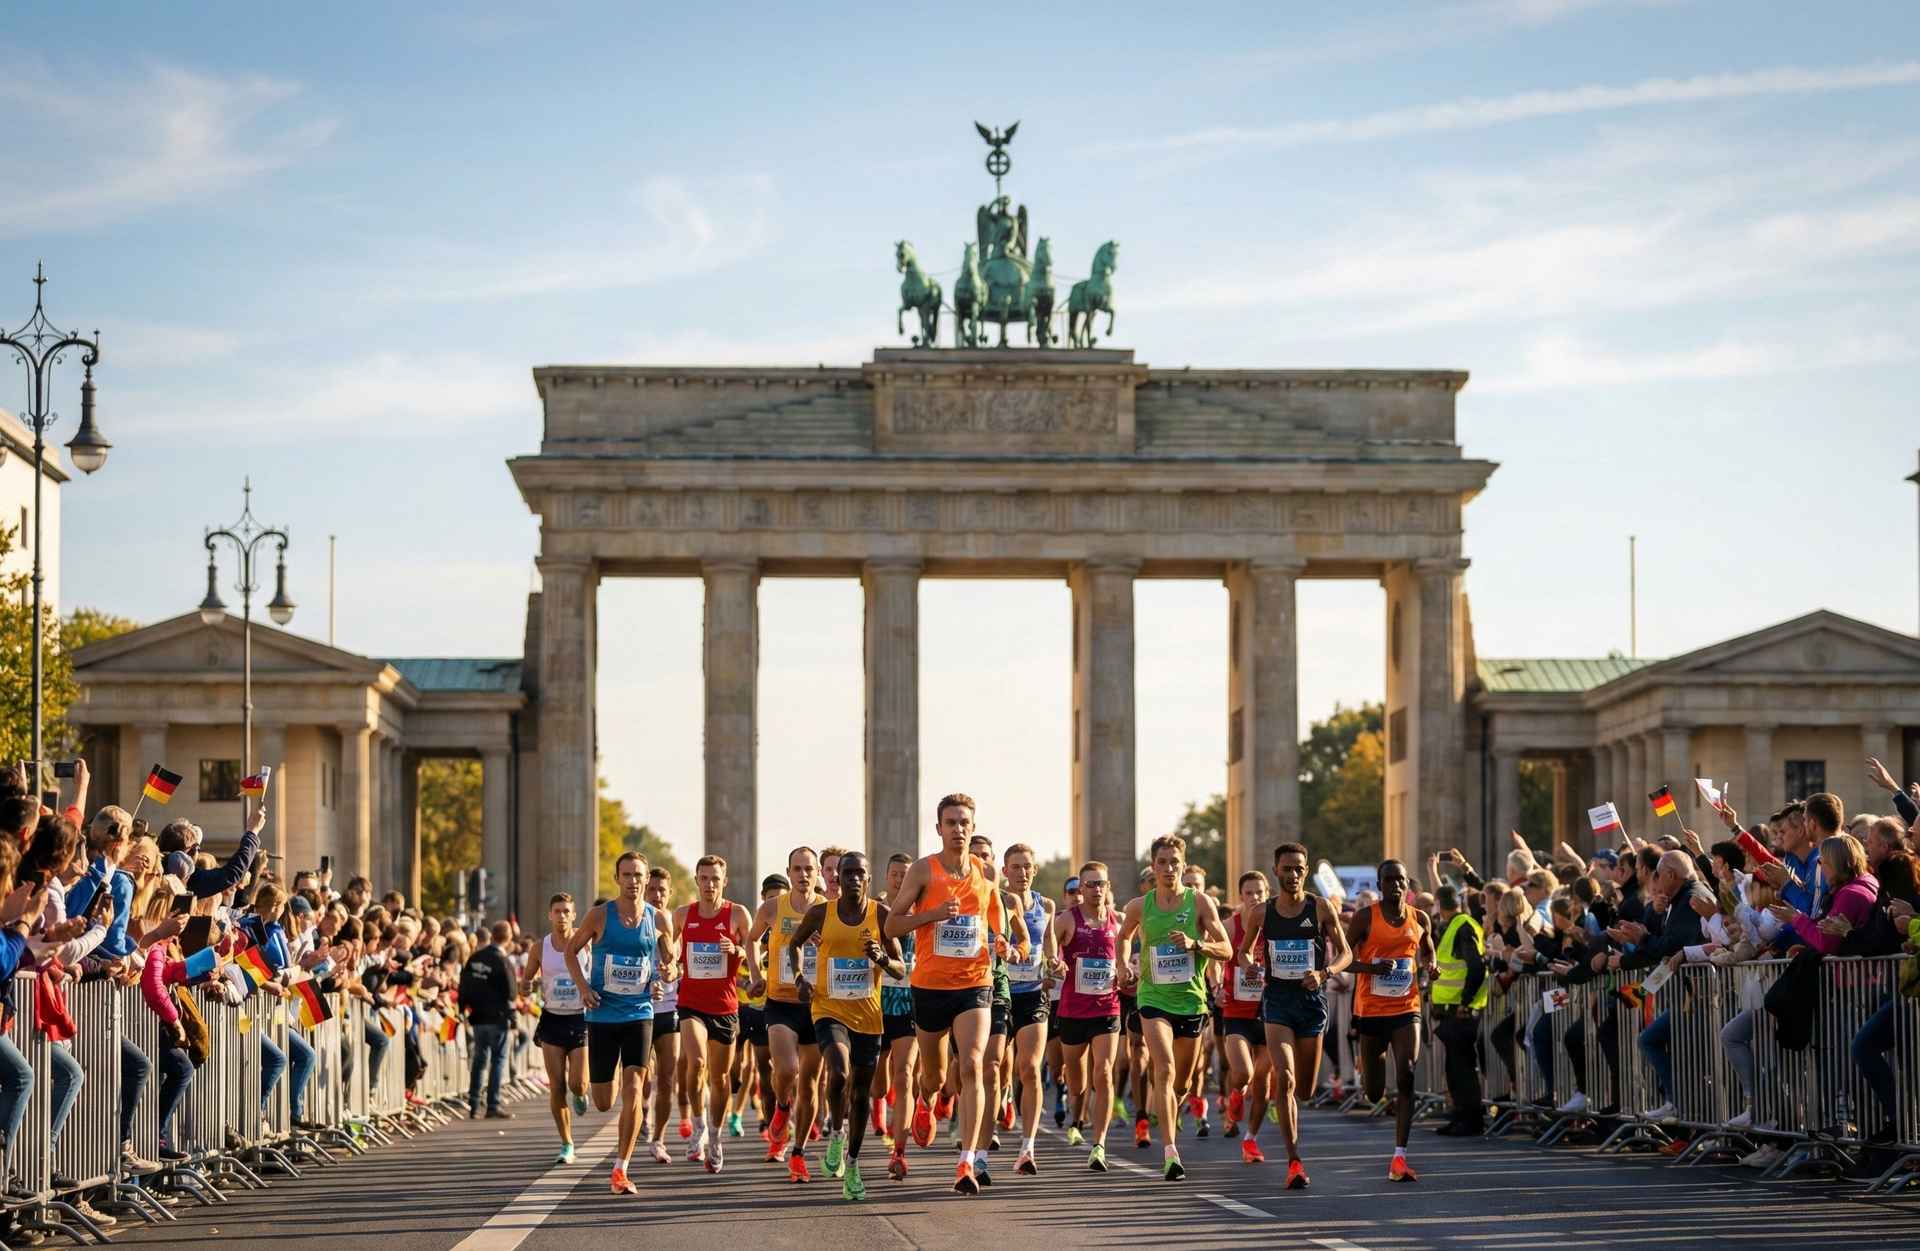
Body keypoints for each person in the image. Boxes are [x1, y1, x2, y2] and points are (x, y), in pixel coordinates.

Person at [883, 793, 1018, 1196]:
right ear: (938, 828)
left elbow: (997, 921)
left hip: (975, 982)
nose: (958, 829)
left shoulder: (985, 872)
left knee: (974, 1064)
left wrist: (1003, 943)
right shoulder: (924, 871)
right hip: (929, 985)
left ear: (972, 827)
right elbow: (892, 925)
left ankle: (967, 1162)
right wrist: (933, 915)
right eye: (951, 823)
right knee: (934, 1075)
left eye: (964, 823)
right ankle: (928, 1102)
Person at [790, 851, 906, 1202]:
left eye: (860, 874)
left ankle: (852, 1163)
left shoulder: (881, 914)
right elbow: (794, 944)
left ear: (868, 879)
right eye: (847, 873)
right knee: (838, 1072)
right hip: (828, 1007)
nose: (853, 879)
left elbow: (900, 968)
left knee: (860, 1093)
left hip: (868, 1015)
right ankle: (836, 1133)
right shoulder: (821, 913)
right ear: (837, 878)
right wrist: (799, 978)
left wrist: (881, 958)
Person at [1118, 834, 1233, 1182]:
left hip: (1191, 1000)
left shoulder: (1200, 903)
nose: (1169, 869)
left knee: (1180, 1084)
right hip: (1152, 998)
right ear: (1153, 867)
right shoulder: (1140, 905)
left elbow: (1226, 949)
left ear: (1184, 866)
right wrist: (1124, 964)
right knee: (1163, 1068)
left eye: (1175, 863)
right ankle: (1171, 1152)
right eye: (1162, 863)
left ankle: (1171, 1108)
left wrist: (1196, 944)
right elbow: (1124, 935)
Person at [566, 850, 678, 1196]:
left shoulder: (659, 919)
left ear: (648, 880)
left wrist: (665, 974)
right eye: (626, 875)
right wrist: (583, 988)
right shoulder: (599, 915)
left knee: (635, 1089)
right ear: (617, 879)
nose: (633, 881)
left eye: (638, 875)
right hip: (601, 1013)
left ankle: (621, 1168)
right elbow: (571, 951)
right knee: (603, 1100)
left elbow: (671, 962)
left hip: (640, 1013)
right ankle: (601, 1080)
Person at [1240, 842, 1350, 1186]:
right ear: (1276, 871)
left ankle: (1290, 1136)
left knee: (1304, 1089)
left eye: (1299, 869)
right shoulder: (1261, 912)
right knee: (1284, 1079)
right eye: (1287, 869)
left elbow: (1345, 953)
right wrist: (1251, 968)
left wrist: (1325, 973)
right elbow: (1243, 953)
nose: (1293, 874)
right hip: (1277, 1001)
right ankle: (1295, 1163)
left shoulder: (1319, 908)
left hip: (1312, 1002)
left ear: (1306, 871)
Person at [1347, 859, 1435, 1182]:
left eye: (1401, 880)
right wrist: (1371, 970)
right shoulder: (1364, 918)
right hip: (1371, 1010)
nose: (1396, 885)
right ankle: (1366, 1069)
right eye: (1389, 880)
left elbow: (1428, 948)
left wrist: (1432, 966)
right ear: (1379, 884)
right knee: (1373, 1091)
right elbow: (1343, 960)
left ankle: (1400, 1157)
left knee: (1408, 1074)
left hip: (1406, 1006)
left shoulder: (1419, 917)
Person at [748, 846, 827, 1180]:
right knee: (787, 1070)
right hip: (781, 1002)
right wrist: (756, 975)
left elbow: (847, 946)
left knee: (809, 1084)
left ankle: (798, 1153)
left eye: (809, 869)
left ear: (818, 873)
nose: (803, 874)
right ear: (789, 872)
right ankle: (781, 1108)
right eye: (797, 869)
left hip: (818, 1004)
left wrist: (828, 943)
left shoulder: (829, 910)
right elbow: (751, 940)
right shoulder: (771, 908)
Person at [674, 854, 750, 1173]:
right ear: (696, 880)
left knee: (719, 1078)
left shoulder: (737, 914)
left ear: (724, 881)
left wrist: (736, 951)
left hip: (725, 1006)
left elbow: (750, 953)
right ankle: (698, 1123)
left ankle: (716, 1137)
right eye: (704, 878)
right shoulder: (683, 915)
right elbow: (670, 952)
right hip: (691, 1003)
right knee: (697, 1062)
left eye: (715, 879)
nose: (709, 884)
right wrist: (668, 965)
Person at [1054, 862, 1122, 1170]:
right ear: (1081, 889)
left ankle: (1099, 1144)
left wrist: (1129, 970)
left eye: (1101, 884)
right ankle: (1076, 1116)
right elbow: (1048, 945)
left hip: (1107, 1007)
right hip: (1072, 1010)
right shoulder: (1068, 919)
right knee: (1078, 1080)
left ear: (1109, 887)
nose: (1096, 889)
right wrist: (1053, 962)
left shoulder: (1118, 922)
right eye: (1090, 884)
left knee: (1104, 1073)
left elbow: (1131, 951)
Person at [1000, 842, 1057, 1175]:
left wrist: (1054, 968)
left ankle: (1027, 1147)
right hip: (1000, 991)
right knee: (992, 1067)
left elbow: (1049, 949)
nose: (1022, 873)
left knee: (1030, 1068)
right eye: (1016, 867)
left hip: (1033, 993)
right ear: (1005, 871)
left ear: (1034, 870)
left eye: (1027, 867)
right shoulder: (996, 902)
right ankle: (983, 1135)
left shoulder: (1046, 905)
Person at [526, 893, 589, 1163]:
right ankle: (567, 1144)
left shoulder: (586, 944)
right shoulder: (540, 948)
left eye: (566, 911)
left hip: (580, 1018)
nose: (562, 916)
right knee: (557, 1086)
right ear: (549, 915)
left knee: (577, 1083)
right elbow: (527, 978)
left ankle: (581, 1093)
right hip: (552, 1018)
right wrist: (526, 985)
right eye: (557, 911)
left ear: (574, 915)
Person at [1428, 883, 1488, 1135]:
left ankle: (1472, 1120)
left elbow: (1476, 967)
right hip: (1451, 1009)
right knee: (1454, 1067)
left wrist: (1465, 1001)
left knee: (1463, 1067)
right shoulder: (1455, 925)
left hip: (1461, 1010)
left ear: (1439, 905)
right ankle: (1460, 1116)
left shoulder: (1462, 926)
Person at [1218, 870, 1270, 1148]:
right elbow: (1215, 956)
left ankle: (1251, 1139)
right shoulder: (1230, 926)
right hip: (1236, 1011)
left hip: (1269, 1012)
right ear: (1241, 896)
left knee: (1263, 1081)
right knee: (1243, 1073)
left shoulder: (1274, 924)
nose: (1254, 898)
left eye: (1260, 892)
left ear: (1267, 894)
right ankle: (1233, 1100)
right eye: (1249, 893)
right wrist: (1215, 984)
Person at [876, 852, 919, 1179]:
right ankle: (879, 1108)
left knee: (905, 1075)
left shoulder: (922, 912)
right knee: (878, 1085)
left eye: (906, 874)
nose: (900, 879)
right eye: (895, 874)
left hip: (909, 1003)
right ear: (887, 876)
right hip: (876, 1003)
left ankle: (900, 1152)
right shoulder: (875, 910)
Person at [640, 867, 687, 1165]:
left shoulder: (676, 928)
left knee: (667, 1079)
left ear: (670, 894)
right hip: (639, 1010)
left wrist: (675, 970)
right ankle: (641, 1112)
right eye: (652, 889)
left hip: (669, 1009)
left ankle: (658, 1139)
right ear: (645, 891)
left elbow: (680, 966)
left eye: (662, 891)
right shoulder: (634, 923)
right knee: (641, 1078)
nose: (657, 895)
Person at [460, 921, 518, 1121]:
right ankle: (492, 1104)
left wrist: (462, 1008)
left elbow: (464, 984)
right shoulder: (503, 961)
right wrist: (514, 1019)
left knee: (479, 1060)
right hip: (498, 1018)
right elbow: (511, 992)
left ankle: (474, 1105)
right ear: (508, 938)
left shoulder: (475, 958)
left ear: (492, 935)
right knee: (498, 1061)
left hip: (478, 1017)